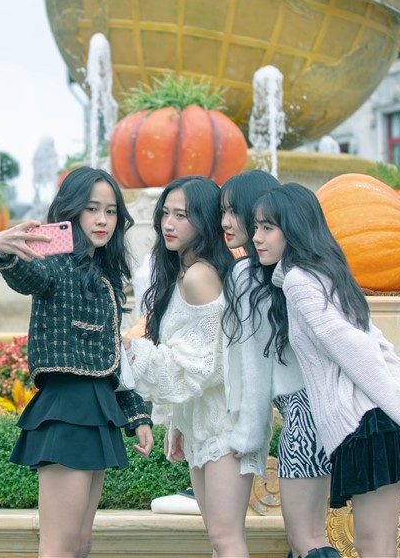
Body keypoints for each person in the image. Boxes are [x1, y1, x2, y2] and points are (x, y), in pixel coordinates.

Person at [252, 183, 400, 558]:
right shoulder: (327, 274)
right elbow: (377, 345)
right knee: (378, 545)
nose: (257, 237)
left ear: (295, 227)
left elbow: (357, 350)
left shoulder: (300, 281)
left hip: (367, 426)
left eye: (268, 228)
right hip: (375, 424)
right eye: (256, 227)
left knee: (374, 546)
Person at [0, 167, 154, 558]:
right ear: (72, 211)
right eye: (91, 209)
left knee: (80, 544)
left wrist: (137, 415)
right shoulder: (55, 261)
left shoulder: (104, 275)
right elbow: (28, 275)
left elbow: (113, 357)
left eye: (110, 211)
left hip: (96, 408)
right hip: (66, 412)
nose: (102, 220)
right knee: (60, 547)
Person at [123, 175, 255, 557]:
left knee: (226, 538)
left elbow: (204, 365)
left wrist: (130, 350)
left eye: (181, 215)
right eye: (165, 213)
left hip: (225, 424)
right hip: (204, 423)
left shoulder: (200, 276)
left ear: (204, 221)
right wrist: (179, 422)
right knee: (219, 537)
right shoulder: (183, 272)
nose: (169, 223)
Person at [220, 171, 339, 558]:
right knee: (313, 534)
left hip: (301, 415)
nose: (227, 222)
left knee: (305, 539)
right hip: (329, 411)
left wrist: (249, 434)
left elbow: (256, 365)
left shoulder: (249, 275)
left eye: (235, 212)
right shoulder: (304, 269)